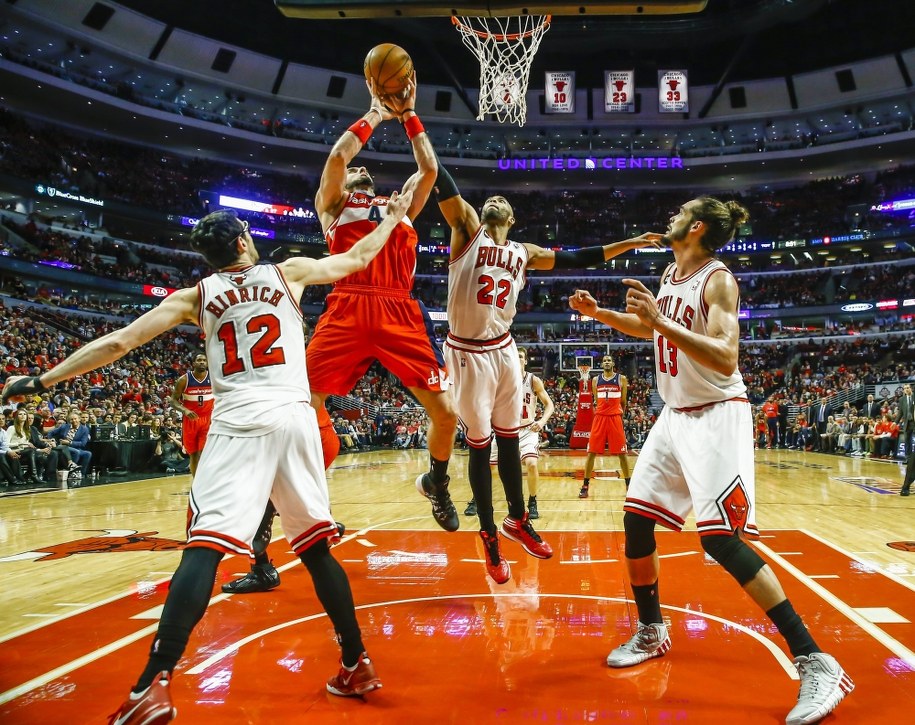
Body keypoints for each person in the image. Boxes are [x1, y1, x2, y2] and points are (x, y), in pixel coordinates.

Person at [2, 188, 414, 723]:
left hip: (240, 419)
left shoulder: (194, 297)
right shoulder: (287, 272)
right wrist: (396, 217)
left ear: (209, 258)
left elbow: (120, 343)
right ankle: (356, 661)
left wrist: (42, 378)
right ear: (244, 242)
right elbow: (359, 258)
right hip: (295, 417)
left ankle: (151, 684)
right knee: (314, 547)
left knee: (204, 549)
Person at [569, 196, 853, 725]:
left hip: (718, 413)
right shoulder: (670, 273)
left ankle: (818, 661)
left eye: (680, 210)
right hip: (675, 414)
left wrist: (658, 319)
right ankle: (652, 630)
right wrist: (601, 315)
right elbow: (651, 331)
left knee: (721, 539)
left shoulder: (718, 279)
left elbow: (725, 354)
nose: (670, 212)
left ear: (695, 227)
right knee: (636, 521)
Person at [435, 157, 661, 583]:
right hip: (466, 352)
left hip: (504, 349)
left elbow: (581, 257)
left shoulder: (525, 253)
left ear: (513, 218)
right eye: (491, 197)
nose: (496, 199)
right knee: (480, 449)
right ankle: (489, 538)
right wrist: (412, 122)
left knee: (509, 442)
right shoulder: (466, 229)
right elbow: (441, 182)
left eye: (504, 200)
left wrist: (630, 242)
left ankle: (517, 520)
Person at [307, 71, 459, 532]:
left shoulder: (400, 206)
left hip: (398, 308)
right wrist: (377, 108)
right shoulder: (333, 206)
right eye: (356, 170)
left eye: (362, 171)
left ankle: (437, 481)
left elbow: (429, 170)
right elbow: (338, 156)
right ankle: (290, 503)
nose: (360, 170)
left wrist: (410, 113)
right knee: (297, 405)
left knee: (447, 414)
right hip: (347, 305)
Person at [466, 347, 555, 519]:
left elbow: (549, 404)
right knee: (488, 468)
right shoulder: (501, 380)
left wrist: (542, 421)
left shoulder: (533, 380)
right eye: (514, 356)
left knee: (532, 464)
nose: (517, 359)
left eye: (521, 356)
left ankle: (532, 501)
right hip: (504, 430)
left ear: (526, 360)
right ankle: (477, 499)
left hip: (527, 430)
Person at [579, 353, 631, 499]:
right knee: (591, 453)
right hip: (600, 418)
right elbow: (596, 400)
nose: (607, 362)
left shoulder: (621, 379)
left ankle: (629, 485)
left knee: (622, 454)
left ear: (613, 363)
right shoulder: (596, 380)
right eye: (604, 361)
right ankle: (585, 486)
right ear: (602, 364)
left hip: (615, 418)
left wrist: (618, 414)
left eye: (609, 360)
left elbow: (624, 401)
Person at [169, 353, 213, 476]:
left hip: (207, 419)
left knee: (204, 451)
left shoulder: (213, 378)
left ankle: (206, 479)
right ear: (193, 363)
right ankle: (196, 482)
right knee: (193, 453)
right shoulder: (184, 380)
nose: (202, 362)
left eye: (204, 360)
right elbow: (172, 400)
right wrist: (184, 410)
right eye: (199, 360)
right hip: (190, 420)